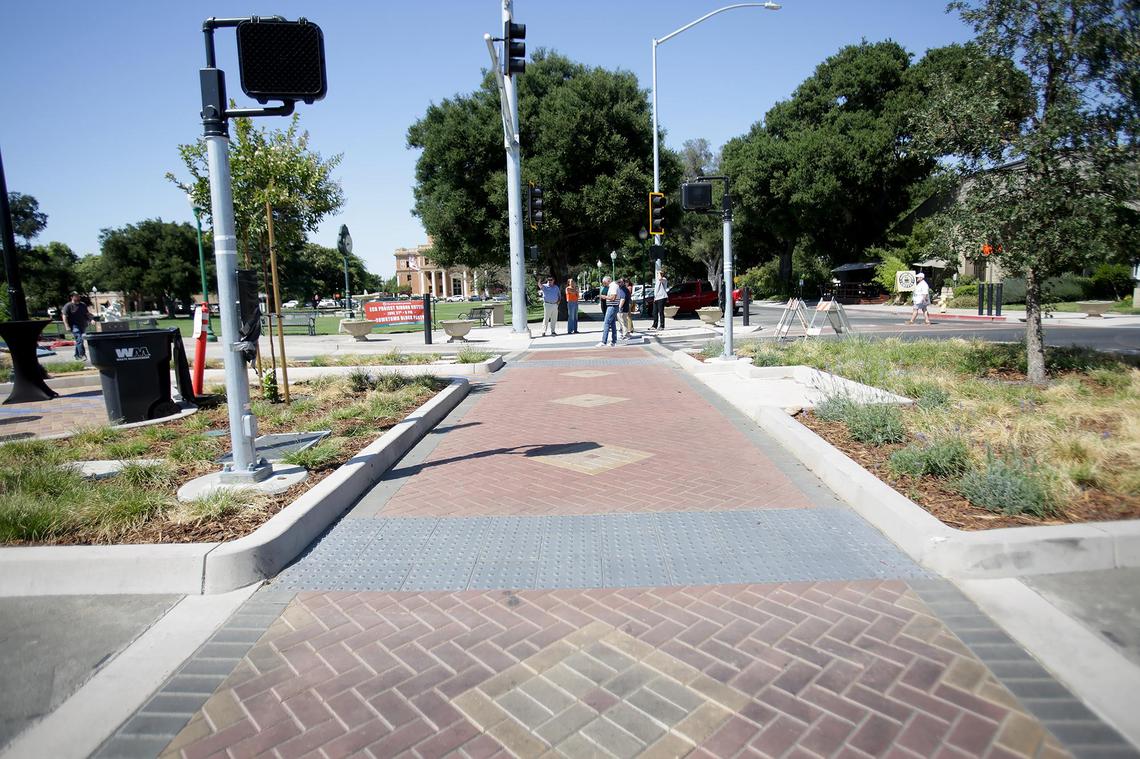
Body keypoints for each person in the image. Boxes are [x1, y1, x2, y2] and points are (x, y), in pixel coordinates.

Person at [61, 292, 91, 360]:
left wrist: (91, 319)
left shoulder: (83, 305)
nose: (78, 297)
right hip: (74, 326)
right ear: (72, 297)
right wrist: (67, 326)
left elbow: (87, 314)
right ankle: (82, 355)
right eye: (76, 296)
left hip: (82, 325)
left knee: (79, 341)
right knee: (80, 339)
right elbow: (64, 316)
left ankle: (76, 355)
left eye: (78, 296)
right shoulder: (68, 305)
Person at [596, 275, 619, 347]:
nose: (604, 284)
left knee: (606, 323)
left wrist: (604, 297)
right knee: (612, 324)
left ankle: (604, 341)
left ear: (608, 281)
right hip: (612, 306)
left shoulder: (613, 286)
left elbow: (613, 297)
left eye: (604, 282)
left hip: (612, 306)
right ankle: (613, 341)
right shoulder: (612, 286)